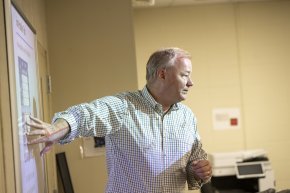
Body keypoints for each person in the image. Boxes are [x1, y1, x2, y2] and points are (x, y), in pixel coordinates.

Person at [27, 47, 212, 193]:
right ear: (162, 74)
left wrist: (198, 170)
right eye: (185, 75)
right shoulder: (124, 107)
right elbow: (84, 115)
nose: (191, 83)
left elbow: (195, 161)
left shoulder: (187, 117)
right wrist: (56, 129)